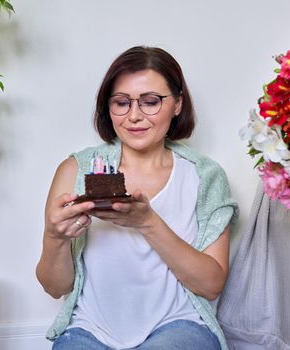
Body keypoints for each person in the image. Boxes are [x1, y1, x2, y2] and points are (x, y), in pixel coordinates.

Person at [36, 46, 238, 350]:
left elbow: (211, 285)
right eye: (121, 103)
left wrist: (147, 222)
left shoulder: (205, 176)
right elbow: (55, 287)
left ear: (178, 104)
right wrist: (55, 237)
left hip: (180, 325)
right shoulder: (77, 170)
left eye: (150, 102)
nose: (134, 116)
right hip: (89, 330)